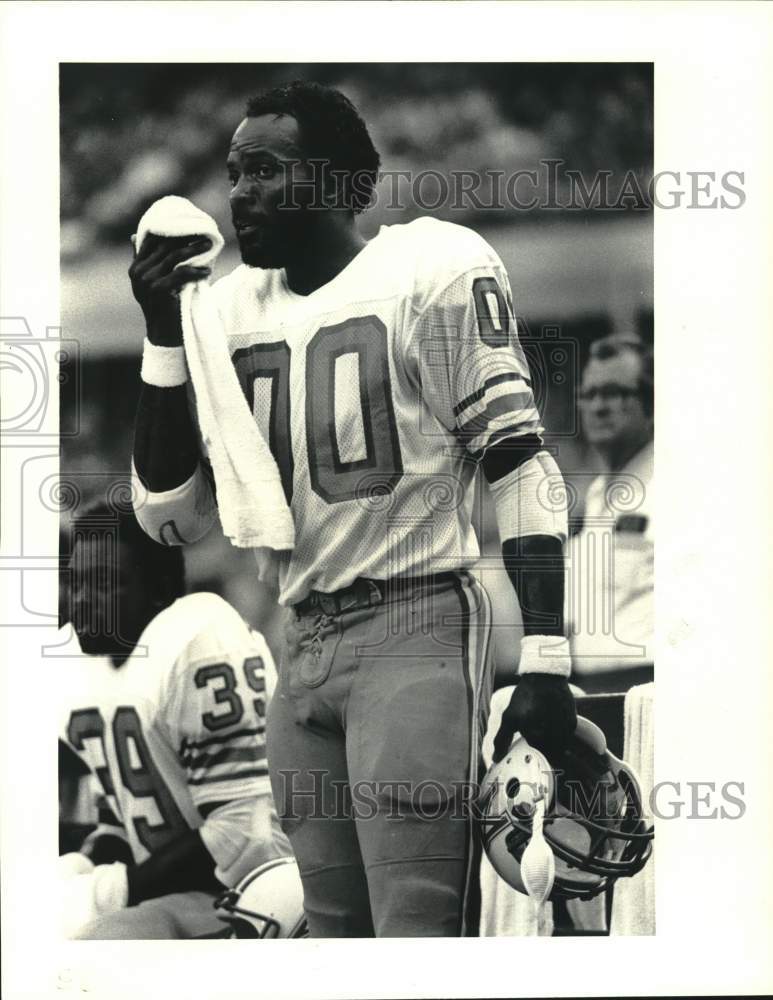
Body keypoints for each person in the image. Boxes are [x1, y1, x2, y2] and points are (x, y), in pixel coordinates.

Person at [129, 80, 576, 937]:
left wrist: (549, 657)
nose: (240, 193)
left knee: (415, 924)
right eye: (233, 172)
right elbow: (169, 518)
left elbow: (517, 462)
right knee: (331, 933)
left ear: (336, 183)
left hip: (415, 620)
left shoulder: (429, 270)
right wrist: (160, 332)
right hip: (301, 637)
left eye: (265, 169)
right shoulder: (223, 310)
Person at [58, 499, 289, 939]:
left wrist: (110, 891)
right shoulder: (94, 671)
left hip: (255, 892)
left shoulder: (196, 638)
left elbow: (244, 832)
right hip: (179, 891)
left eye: (106, 584)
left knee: (94, 946)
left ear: (160, 590)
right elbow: (128, 822)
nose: (82, 601)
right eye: (76, 583)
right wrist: (84, 863)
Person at [566, 333, 654, 691]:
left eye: (615, 393)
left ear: (649, 402)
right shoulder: (596, 496)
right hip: (592, 691)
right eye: (589, 395)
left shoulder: (679, 488)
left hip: (649, 687)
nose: (599, 407)